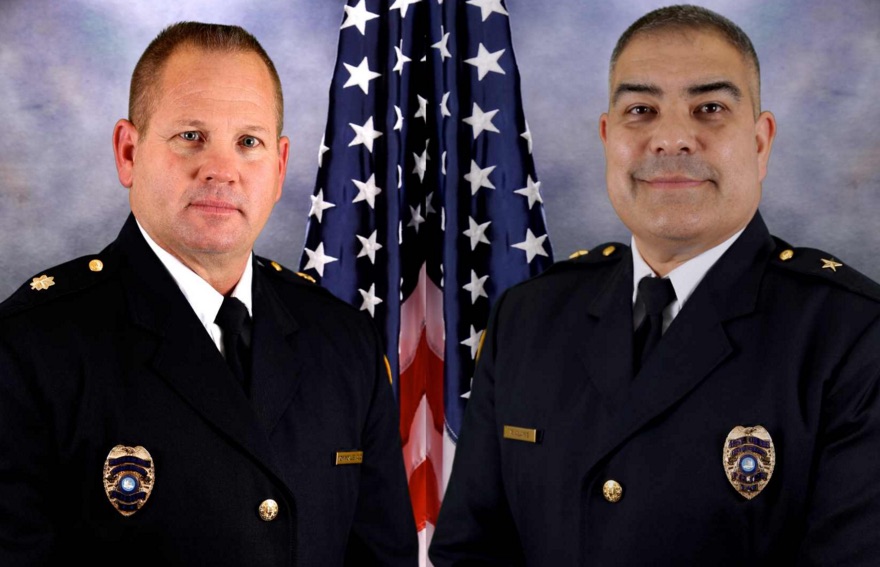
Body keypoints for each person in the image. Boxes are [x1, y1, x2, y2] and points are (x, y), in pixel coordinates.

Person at [429, 5, 880, 565]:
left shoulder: (853, 336)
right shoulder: (528, 318)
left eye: (709, 108)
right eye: (641, 110)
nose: (670, 139)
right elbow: (468, 553)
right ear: (607, 135)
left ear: (761, 143)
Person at [0, 22, 417, 566]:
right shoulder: (33, 347)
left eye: (249, 142)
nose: (221, 171)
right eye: (191, 136)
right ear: (129, 152)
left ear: (280, 164)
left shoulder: (342, 341)